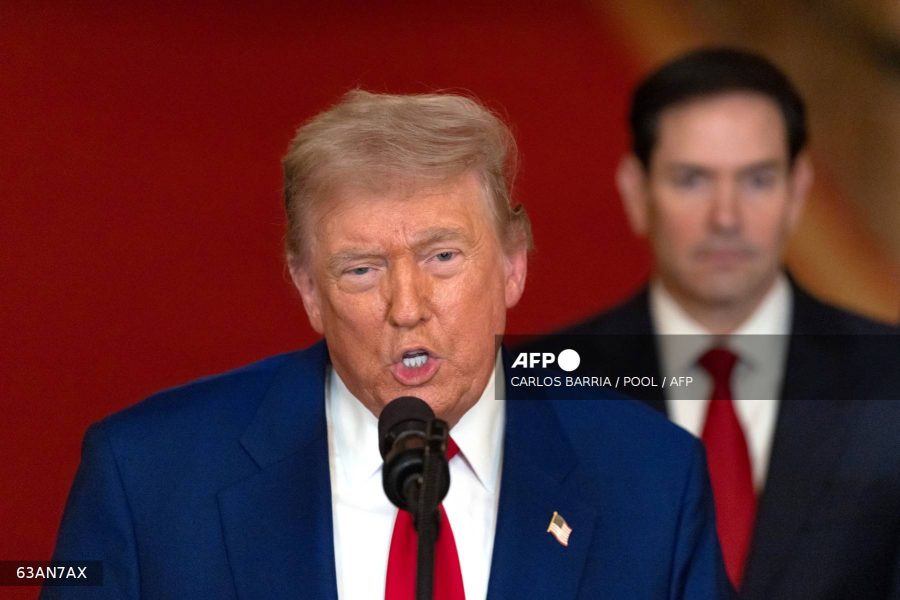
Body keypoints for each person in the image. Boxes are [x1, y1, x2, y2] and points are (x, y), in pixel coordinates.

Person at [44, 90, 732, 599]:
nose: (407, 309)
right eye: (362, 270)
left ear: (514, 264)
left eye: (442, 258)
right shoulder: (149, 482)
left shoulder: (650, 481)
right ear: (309, 290)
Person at [559, 48, 900, 599]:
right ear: (636, 191)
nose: (726, 217)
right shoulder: (548, 390)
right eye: (692, 180)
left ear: (798, 191)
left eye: (758, 180)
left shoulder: (890, 379)